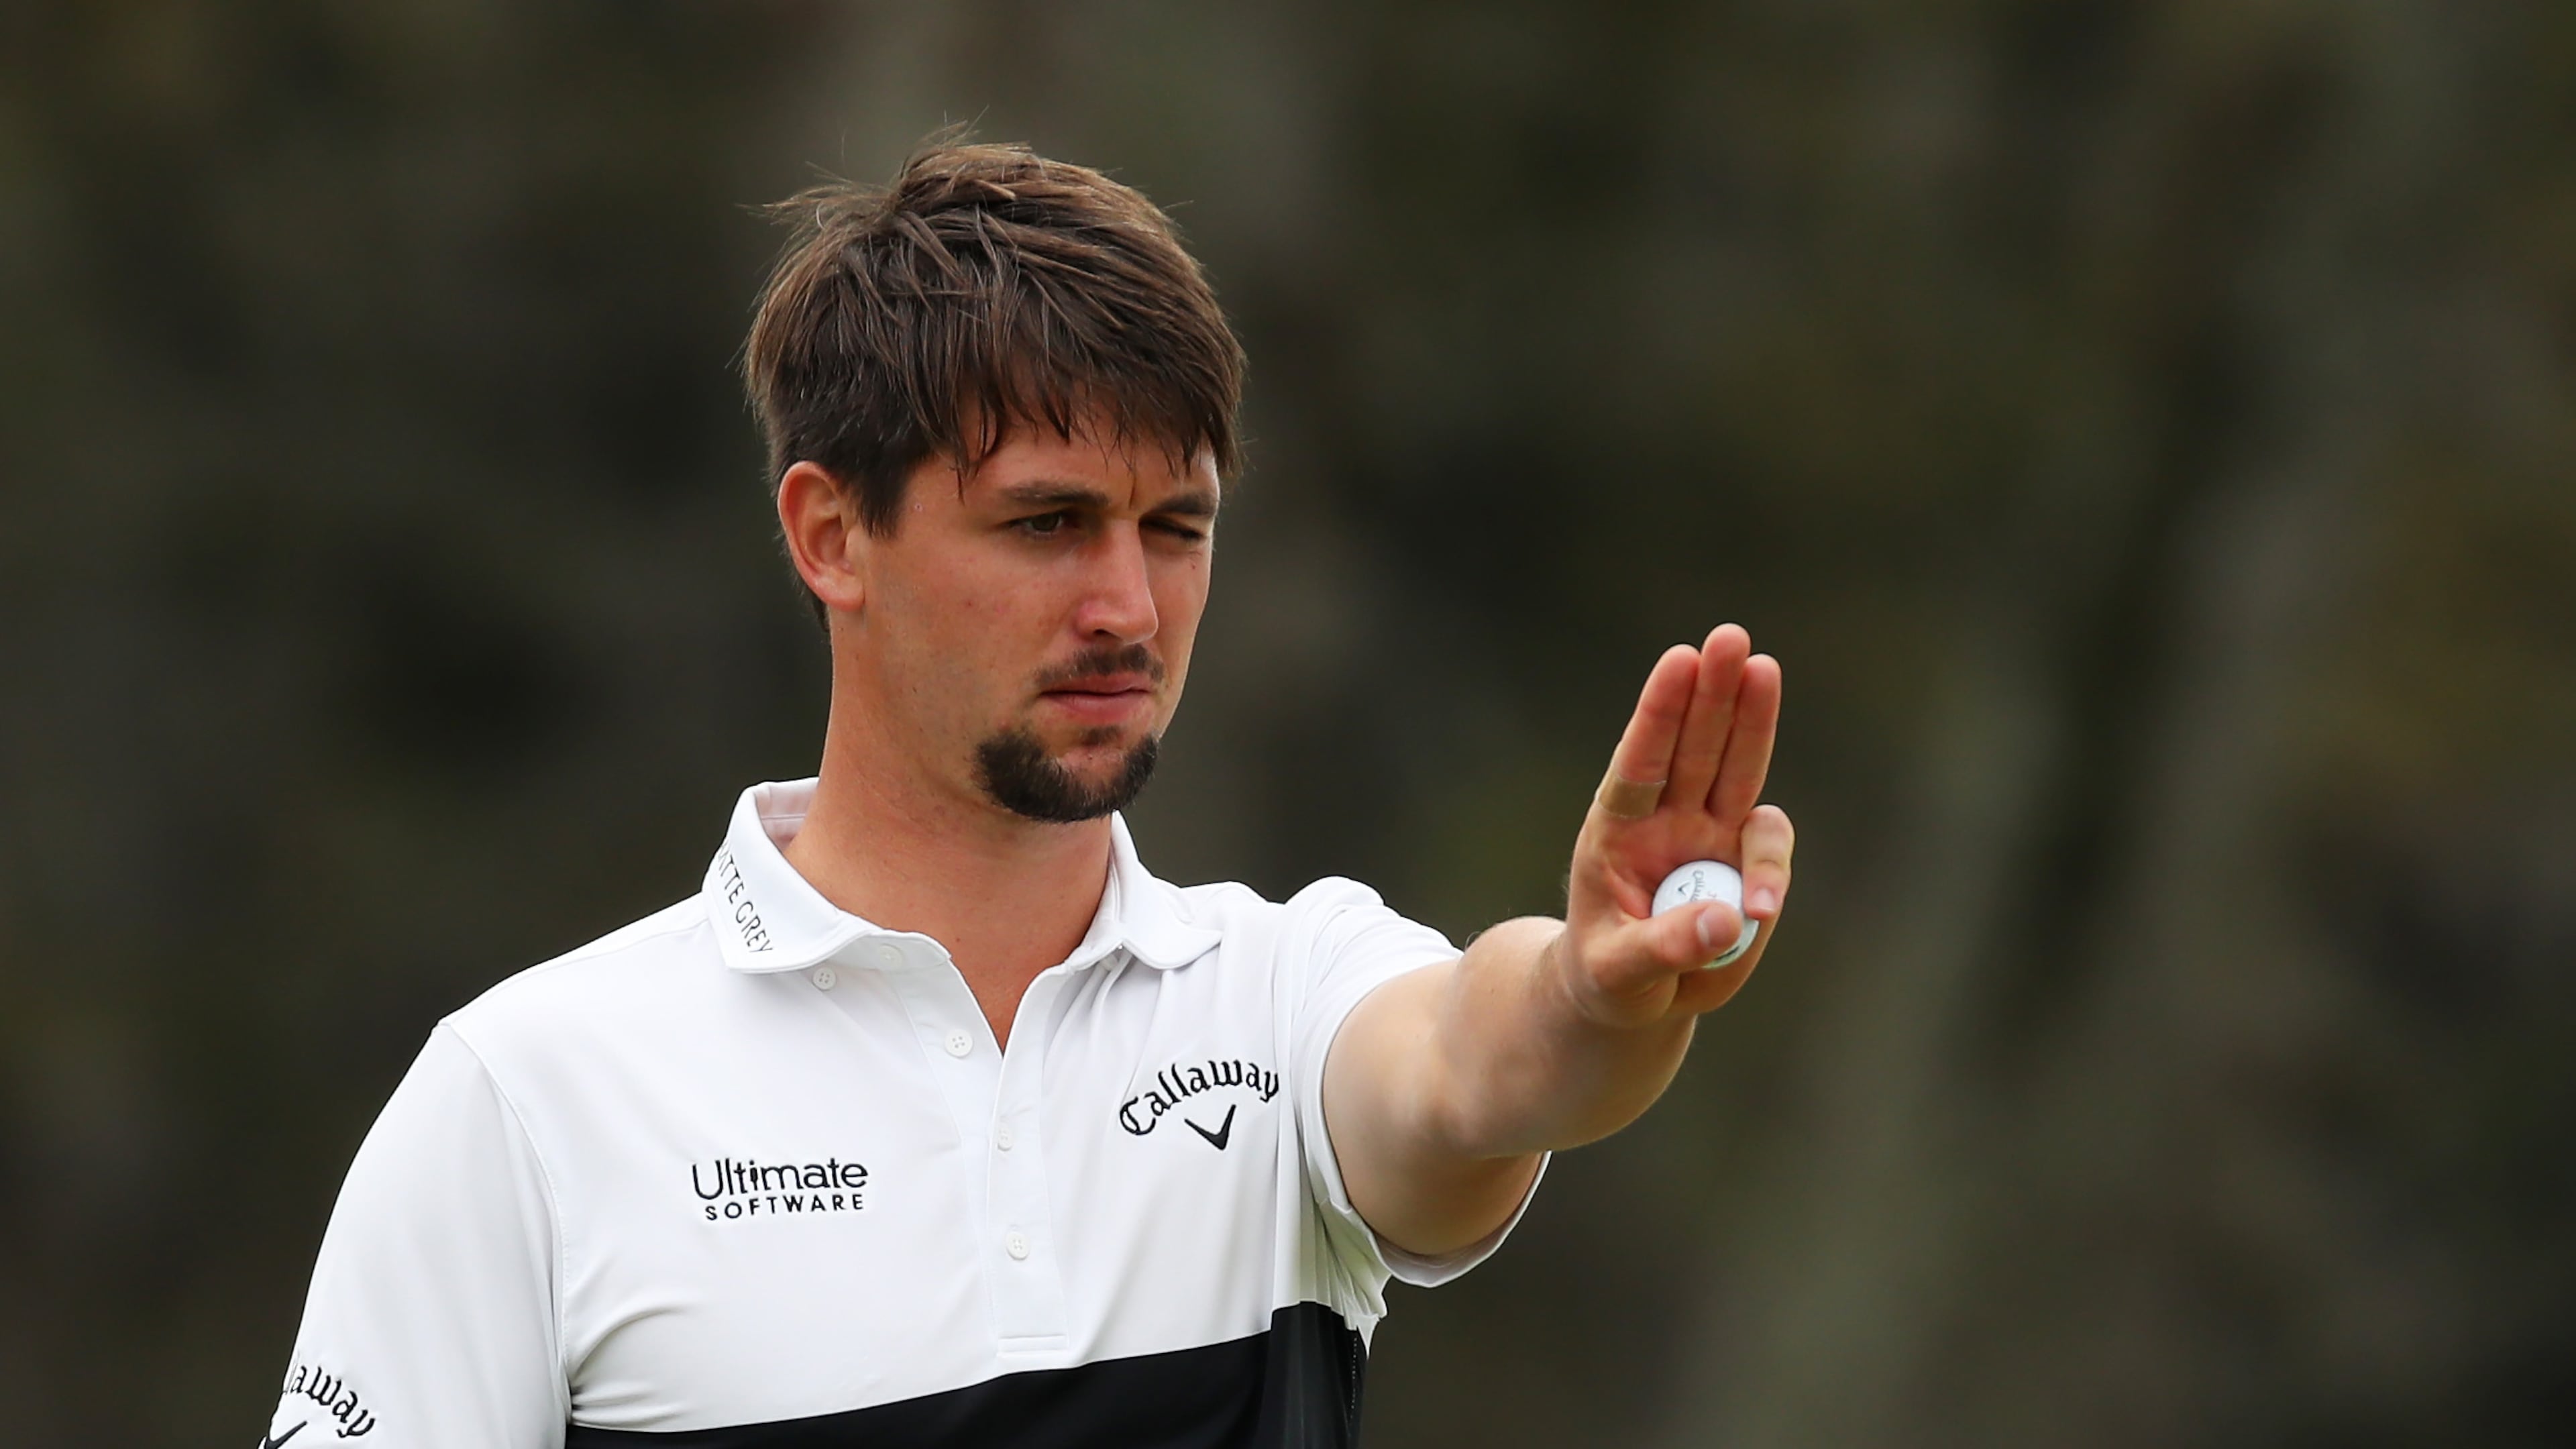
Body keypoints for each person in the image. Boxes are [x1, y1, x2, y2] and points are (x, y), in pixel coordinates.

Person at [266, 138, 1796, 1449]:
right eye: (1049, 522)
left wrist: (1603, 998)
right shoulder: (530, 1100)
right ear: (831, 536)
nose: (1128, 605)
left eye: (1176, 528)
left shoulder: (1279, 998)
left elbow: (1476, 1066)